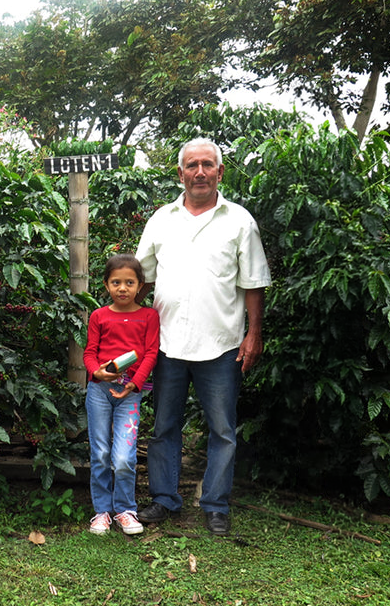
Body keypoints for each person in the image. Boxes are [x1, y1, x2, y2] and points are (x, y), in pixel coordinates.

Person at [134, 138, 271, 536]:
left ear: (219, 172)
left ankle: (215, 505)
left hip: (222, 344)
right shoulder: (162, 219)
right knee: (164, 427)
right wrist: (126, 329)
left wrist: (254, 334)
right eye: (191, 165)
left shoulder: (239, 221)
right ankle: (164, 500)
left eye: (207, 165)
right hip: (167, 343)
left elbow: (254, 283)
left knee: (223, 430)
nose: (199, 172)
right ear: (180, 173)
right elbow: (141, 279)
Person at [83, 254, 159, 535]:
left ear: (140, 285)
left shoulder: (149, 316)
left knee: (125, 456)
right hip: (99, 391)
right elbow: (90, 353)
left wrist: (134, 384)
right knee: (100, 452)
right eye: (116, 282)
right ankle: (102, 511)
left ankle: (125, 509)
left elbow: (151, 352)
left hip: (130, 393)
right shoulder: (99, 316)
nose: (123, 288)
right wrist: (97, 373)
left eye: (130, 282)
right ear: (106, 284)